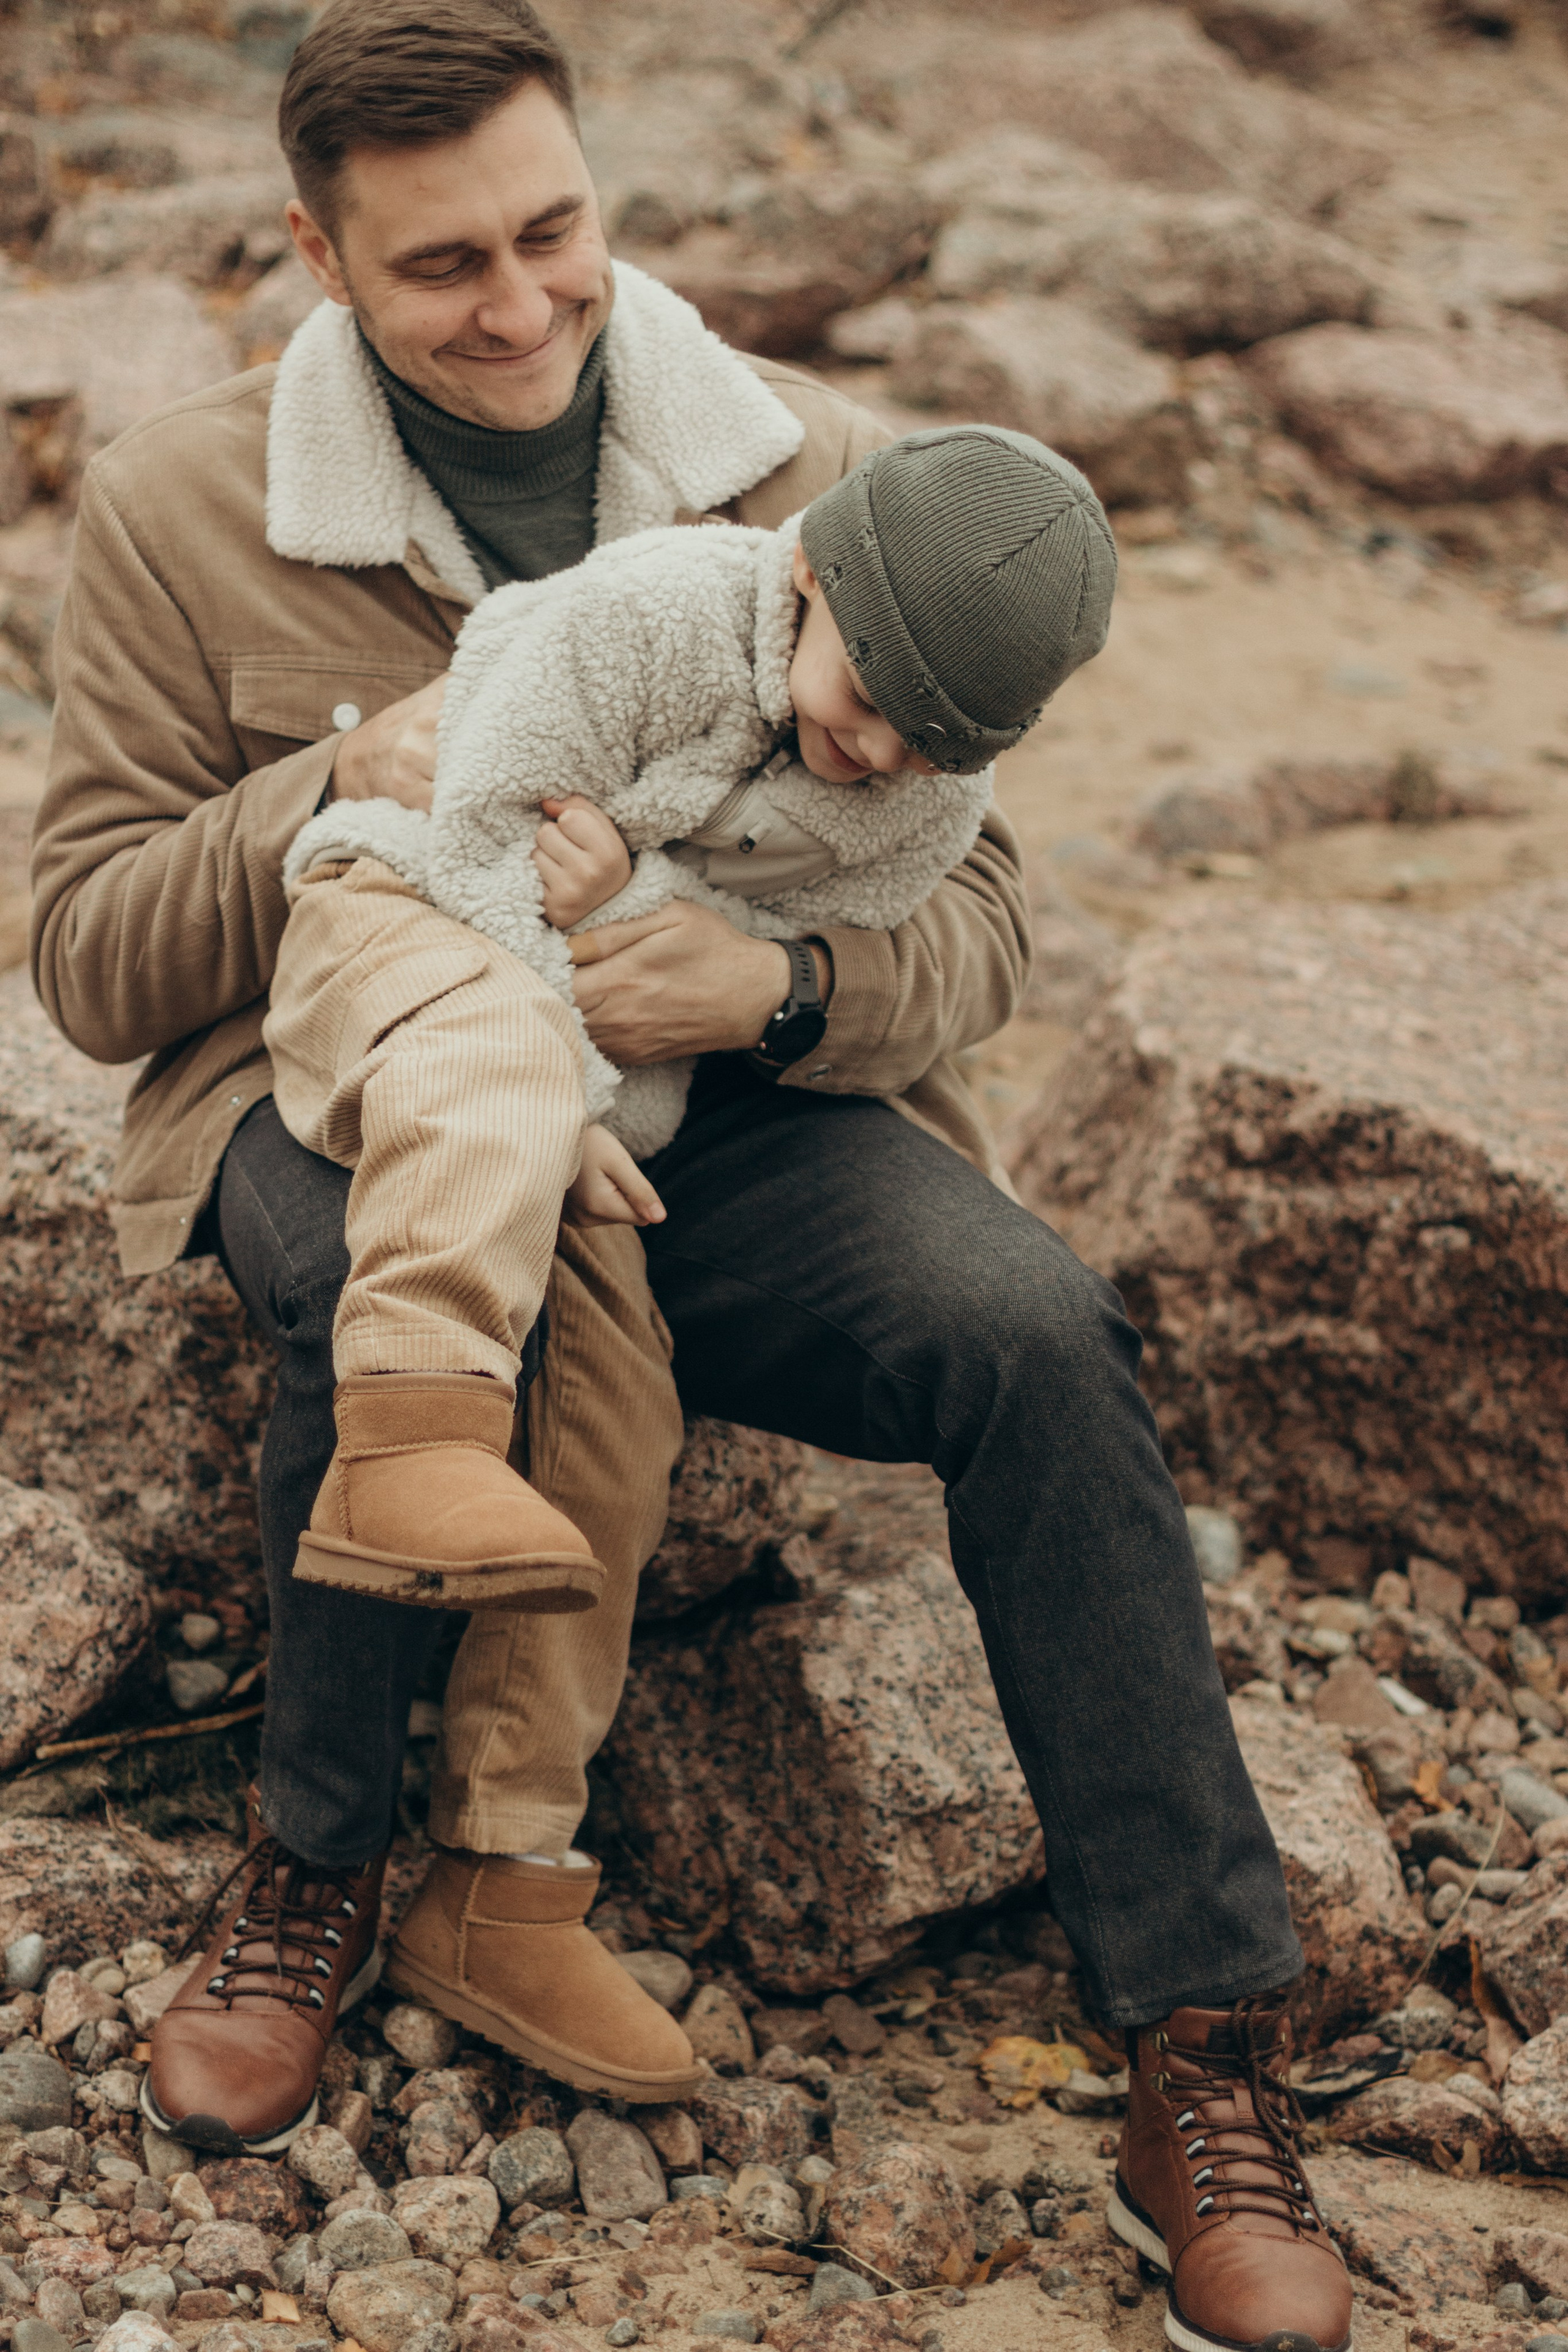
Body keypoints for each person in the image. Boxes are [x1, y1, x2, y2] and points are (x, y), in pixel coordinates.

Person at [28, 5, 1351, 2346]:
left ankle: (1202, 2043)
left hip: (719, 1107)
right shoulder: (177, 503)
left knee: (1038, 1332)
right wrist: (355, 775)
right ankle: (324, 1870)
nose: (524, 306)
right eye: (443, 267)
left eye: (556, 232)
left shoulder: (825, 470)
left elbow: (984, 921)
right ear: (322, 260)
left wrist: (763, 991)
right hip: (334, 1074)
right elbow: (90, 954)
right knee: (392, 1278)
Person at [262, 424, 1111, 1613]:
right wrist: (571, 1093)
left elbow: (940, 923)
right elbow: (481, 829)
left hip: (636, 1074)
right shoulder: (657, 612)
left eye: (925, 749)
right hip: (427, 915)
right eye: (867, 703)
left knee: (611, 1412)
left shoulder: (919, 771)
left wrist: (754, 973)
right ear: (808, 569)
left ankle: (515, 1794)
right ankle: (409, 1448)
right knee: (496, 1068)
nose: (873, 753)